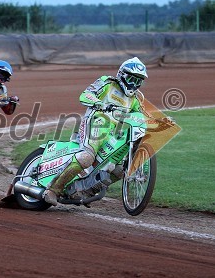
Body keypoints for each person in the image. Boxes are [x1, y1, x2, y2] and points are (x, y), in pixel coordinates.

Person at [43, 57, 149, 206]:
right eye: (131, 79)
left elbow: (140, 117)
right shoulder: (108, 83)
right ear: (122, 75)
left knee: (119, 170)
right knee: (86, 157)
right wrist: (99, 103)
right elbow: (85, 95)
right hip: (95, 122)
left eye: (138, 81)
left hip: (111, 134)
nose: (134, 84)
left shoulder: (135, 100)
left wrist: (156, 122)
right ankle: (53, 189)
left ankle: (83, 192)